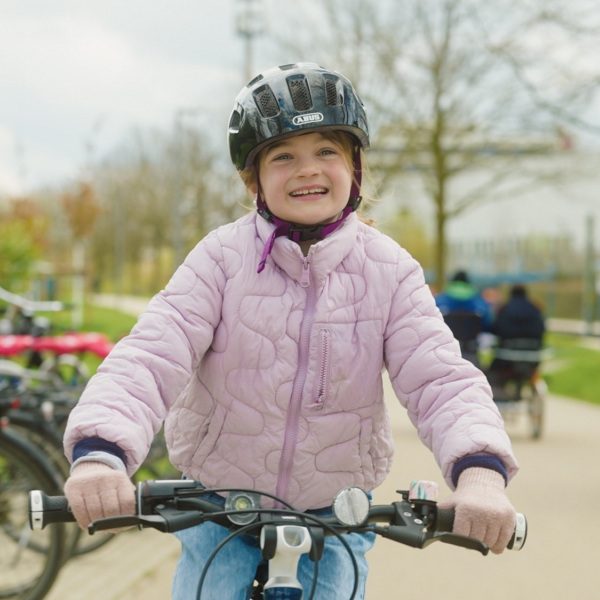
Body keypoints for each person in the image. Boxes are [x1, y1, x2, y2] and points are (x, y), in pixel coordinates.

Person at [62, 63, 519, 600]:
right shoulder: (219, 260)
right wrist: (101, 454)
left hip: (336, 508)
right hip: (219, 502)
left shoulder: (390, 270)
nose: (307, 169)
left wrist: (480, 473)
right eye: (284, 156)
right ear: (253, 180)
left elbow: (441, 378)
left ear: (355, 168)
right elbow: (148, 356)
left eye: (326, 151)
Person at [487, 284, 546, 390]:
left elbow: (495, 329)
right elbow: (542, 329)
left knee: (493, 370)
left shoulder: (504, 308)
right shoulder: (535, 308)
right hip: (531, 354)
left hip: (506, 355)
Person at [434, 270, 494, 365]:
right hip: (472, 349)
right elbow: (487, 324)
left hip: (444, 349)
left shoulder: (439, 301)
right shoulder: (479, 303)